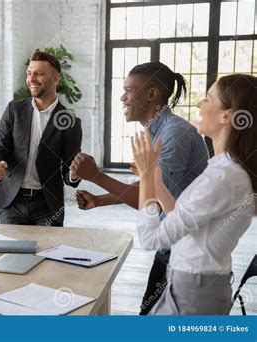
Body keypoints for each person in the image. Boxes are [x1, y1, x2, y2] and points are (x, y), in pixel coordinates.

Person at [70, 62, 209, 314]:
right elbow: (148, 188)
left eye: (128, 90)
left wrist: (96, 175)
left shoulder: (174, 133)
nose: (122, 96)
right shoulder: (159, 131)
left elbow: (152, 198)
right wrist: (99, 200)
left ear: (152, 94)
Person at [132, 73, 256, 315]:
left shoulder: (224, 177)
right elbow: (183, 221)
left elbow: (151, 238)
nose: (200, 104)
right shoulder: (222, 169)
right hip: (189, 288)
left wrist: (146, 177)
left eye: (208, 99)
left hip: (194, 296)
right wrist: (156, 179)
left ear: (227, 115)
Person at [0, 50, 82, 227]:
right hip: (12, 201)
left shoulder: (70, 122)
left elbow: (70, 168)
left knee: (45, 253)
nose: (31, 79)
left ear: (56, 78)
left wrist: (74, 174)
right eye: (29, 73)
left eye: (39, 73)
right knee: (11, 252)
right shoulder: (13, 110)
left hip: (46, 205)